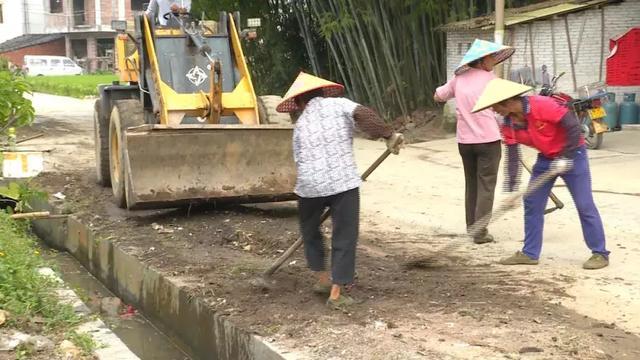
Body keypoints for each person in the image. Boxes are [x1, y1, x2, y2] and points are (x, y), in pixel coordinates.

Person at [276, 72, 404, 310]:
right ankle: (337, 293)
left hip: (308, 187)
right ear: (323, 92)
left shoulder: (300, 124)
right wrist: (389, 135)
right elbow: (364, 116)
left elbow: (299, 159)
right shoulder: (339, 104)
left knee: (310, 230)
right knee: (344, 234)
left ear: (301, 102)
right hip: (342, 183)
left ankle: (322, 279)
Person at [472, 78, 610, 270]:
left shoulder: (542, 105)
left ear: (509, 102)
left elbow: (572, 126)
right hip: (546, 159)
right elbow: (513, 156)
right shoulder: (507, 123)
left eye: (495, 106)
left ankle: (600, 253)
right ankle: (530, 253)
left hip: (573, 155)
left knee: (584, 204)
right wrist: (512, 190)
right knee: (532, 202)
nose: (494, 111)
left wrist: (566, 156)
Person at [433, 39, 515, 244]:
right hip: (488, 140)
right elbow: (505, 108)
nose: (493, 62)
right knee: (486, 185)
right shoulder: (491, 80)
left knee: (472, 184)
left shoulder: (458, 78)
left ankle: (472, 227)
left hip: (465, 142)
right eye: (491, 58)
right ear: (482, 60)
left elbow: (438, 96)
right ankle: (479, 232)